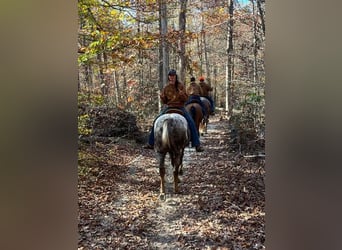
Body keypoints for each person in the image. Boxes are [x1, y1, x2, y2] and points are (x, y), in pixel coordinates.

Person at [144, 69, 204, 152]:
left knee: (191, 122)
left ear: (176, 76)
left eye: (173, 76)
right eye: (170, 76)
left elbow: (186, 99)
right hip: (169, 107)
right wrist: (162, 97)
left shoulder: (181, 86)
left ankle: (197, 144)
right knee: (156, 121)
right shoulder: (166, 87)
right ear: (169, 77)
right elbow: (164, 101)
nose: (172, 77)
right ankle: (151, 143)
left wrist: (181, 94)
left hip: (180, 107)